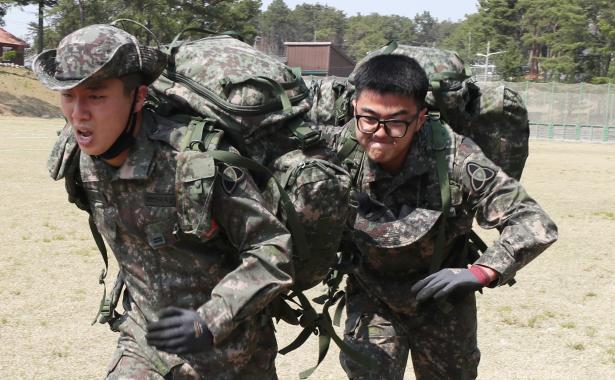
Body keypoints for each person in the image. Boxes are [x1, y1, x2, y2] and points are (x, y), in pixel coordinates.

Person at [34, 24, 293, 379]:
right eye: (68, 95)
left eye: (96, 97)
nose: (78, 113)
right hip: (146, 342)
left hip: (232, 354)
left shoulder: (193, 163)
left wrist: (209, 320)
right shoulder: (79, 158)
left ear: (138, 98)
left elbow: (272, 249)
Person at [325, 54, 558, 379]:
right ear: (355, 110)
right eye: (369, 118)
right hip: (371, 294)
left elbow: (534, 222)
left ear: (420, 119)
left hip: (442, 302)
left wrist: (484, 270)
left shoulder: (455, 157)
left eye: (396, 122)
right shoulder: (338, 148)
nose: (379, 133)